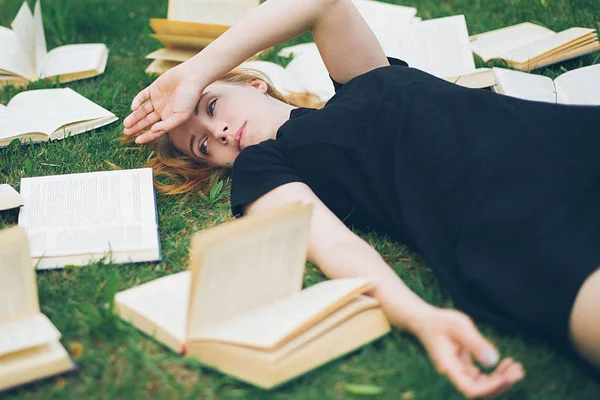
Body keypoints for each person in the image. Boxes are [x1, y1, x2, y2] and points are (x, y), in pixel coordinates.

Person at [123, 0, 600, 397]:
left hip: (568, 143)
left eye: (210, 107)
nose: (220, 132)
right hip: (515, 228)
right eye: (202, 146)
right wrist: (420, 316)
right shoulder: (264, 165)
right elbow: (338, 247)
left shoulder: (363, 77)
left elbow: (321, 3)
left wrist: (192, 73)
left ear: (254, 83)